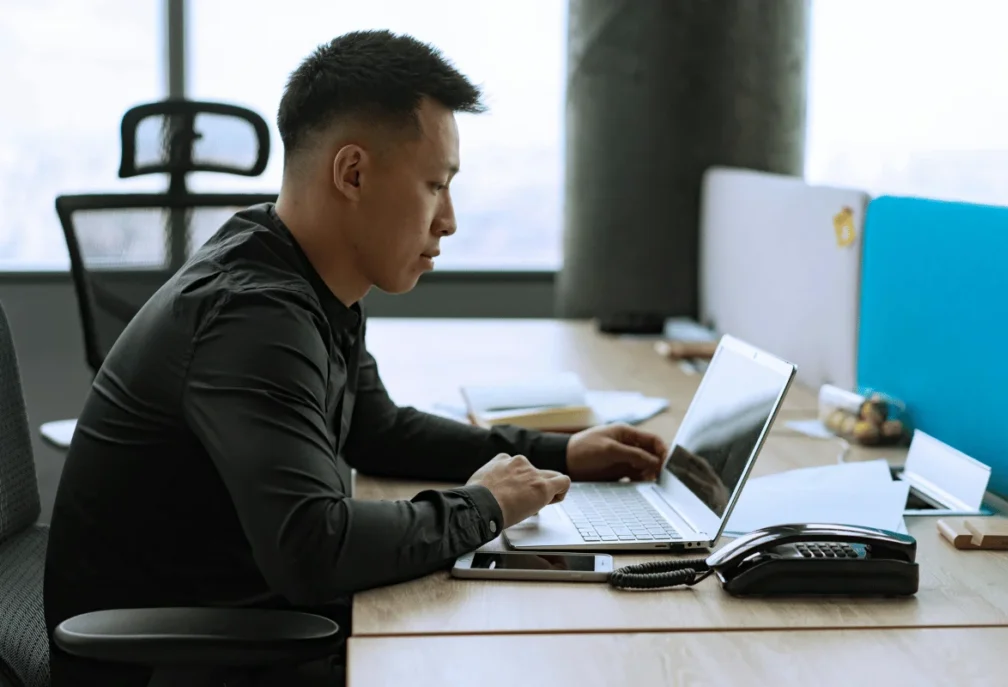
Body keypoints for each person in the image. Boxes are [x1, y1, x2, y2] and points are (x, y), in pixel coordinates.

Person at [43, 30, 668, 687]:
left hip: (230, 615)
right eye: (435, 185)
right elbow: (316, 546)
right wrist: (485, 505)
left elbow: (378, 429)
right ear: (353, 173)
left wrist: (558, 453)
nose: (449, 219)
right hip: (173, 659)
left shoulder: (303, 275)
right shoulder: (255, 315)